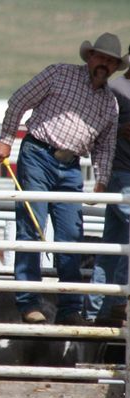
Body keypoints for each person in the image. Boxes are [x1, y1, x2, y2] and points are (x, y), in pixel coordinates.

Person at [0, 33, 125, 326]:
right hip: (38, 152)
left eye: (110, 61)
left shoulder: (109, 105)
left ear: (115, 67)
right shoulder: (59, 73)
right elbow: (18, 100)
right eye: (100, 57)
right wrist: (5, 141)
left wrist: (101, 180)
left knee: (71, 235)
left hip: (71, 166)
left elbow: (105, 146)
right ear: (89, 57)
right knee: (33, 225)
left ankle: (69, 308)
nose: (104, 64)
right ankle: (29, 301)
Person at [85, 50, 130, 327]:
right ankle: (117, 302)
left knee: (115, 243)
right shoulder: (114, 89)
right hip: (120, 170)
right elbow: (97, 125)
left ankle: (96, 311)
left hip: (122, 173)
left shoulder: (116, 87)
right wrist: (121, 129)